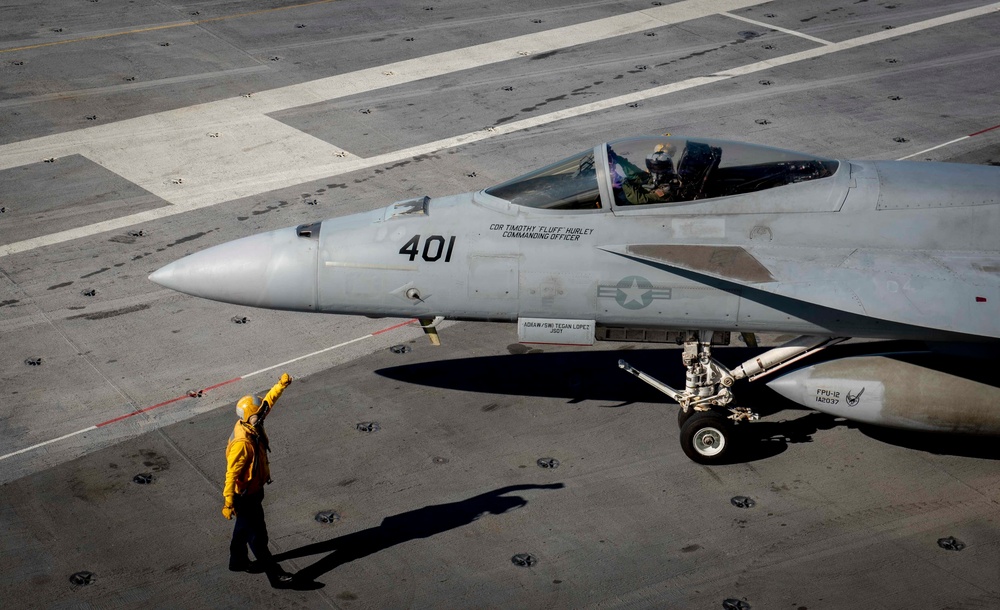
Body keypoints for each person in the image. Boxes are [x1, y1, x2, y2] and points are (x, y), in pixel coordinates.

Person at [223, 372, 294, 585]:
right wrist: (228, 502)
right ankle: (276, 576)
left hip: (254, 491)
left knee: (243, 529)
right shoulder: (243, 443)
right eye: (258, 413)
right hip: (245, 496)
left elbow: (267, 403)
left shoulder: (252, 421)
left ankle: (237, 561)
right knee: (258, 537)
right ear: (250, 416)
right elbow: (231, 474)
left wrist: (281, 386)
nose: (263, 414)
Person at [609, 143, 680, 205]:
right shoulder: (658, 178)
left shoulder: (666, 190)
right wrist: (618, 159)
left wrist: (623, 183)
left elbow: (639, 199)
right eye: (652, 168)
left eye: (656, 168)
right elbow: (637, 175)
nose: (653, 170)